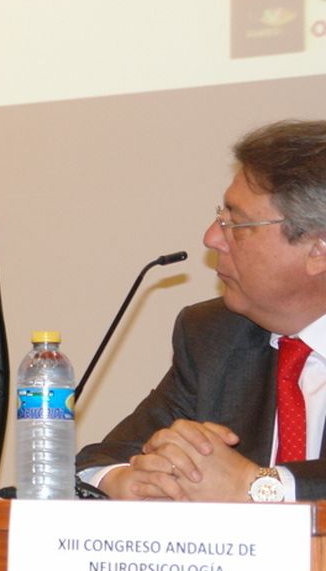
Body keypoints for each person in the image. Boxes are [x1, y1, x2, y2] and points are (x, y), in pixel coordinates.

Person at [77, 119, 326, 502]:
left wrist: (256, 486)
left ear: (317, 251)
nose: (211, 237)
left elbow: (246, 485)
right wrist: (123, 480)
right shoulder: (214, 334)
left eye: (237, 224)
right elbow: (99, 458)